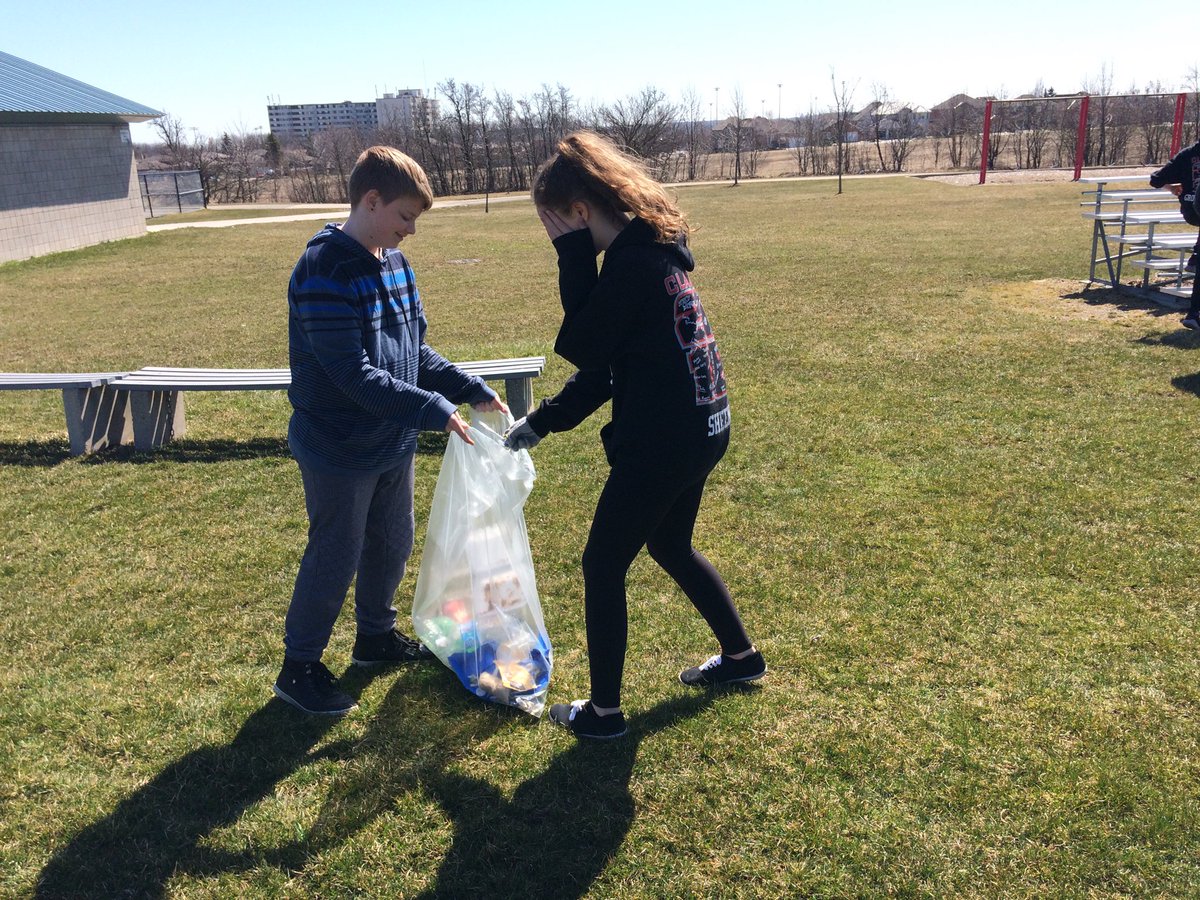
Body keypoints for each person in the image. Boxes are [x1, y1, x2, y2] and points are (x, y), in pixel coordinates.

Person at [504, 131, 766, 740]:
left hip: (666, 438)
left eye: (557, 228)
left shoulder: (632, 264)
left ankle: (603, 715)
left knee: (602, 565)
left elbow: (586, 344)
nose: (560, 241)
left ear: (578, 211)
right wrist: (545, 420)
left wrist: (572, 258)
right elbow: (610, 365)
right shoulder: (654, 250)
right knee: (671, 546)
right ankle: (741, 659)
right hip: (703, 426)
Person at [275, 146, 507, 715]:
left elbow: (414, 353)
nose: (410, 230)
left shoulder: (397, 265)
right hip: (339, 446)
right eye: (405, 216)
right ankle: (298, 667)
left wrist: (466, 386)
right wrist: (431, 408)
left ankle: (375, 637)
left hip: (390, 442)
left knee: (392, 542)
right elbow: (350, 374)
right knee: (336, 552)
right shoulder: (323, 270)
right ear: (371, 201)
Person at [1149, 140, 1200, 329]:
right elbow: (1155, 179)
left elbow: (1156, 179)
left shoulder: (1186, 154)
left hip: (1191, 211)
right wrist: (1171, 187)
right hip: (1195, 211)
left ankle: (1193, 314)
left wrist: (1171, 187)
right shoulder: (1187, 156)